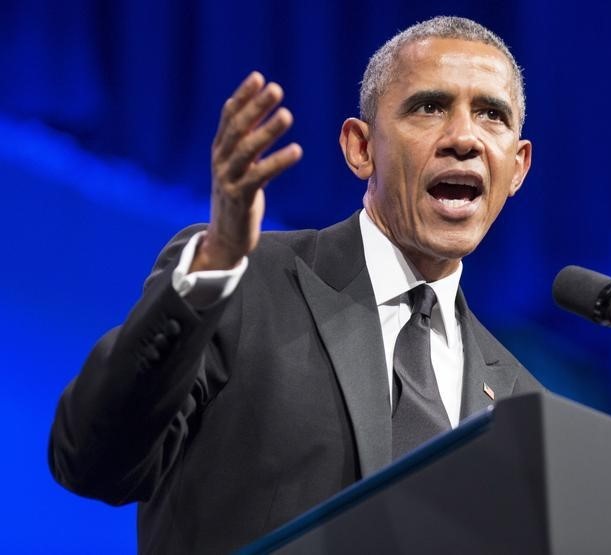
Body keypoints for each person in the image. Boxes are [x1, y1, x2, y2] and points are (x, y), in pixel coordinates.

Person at [49, 16, 542, 554]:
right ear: (361, 148)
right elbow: (93, 462)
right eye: (429, 106)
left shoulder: (522, 400)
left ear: (516, 167)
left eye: (492, 114)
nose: (464, 138)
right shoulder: (240, 283)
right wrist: (212, 269)